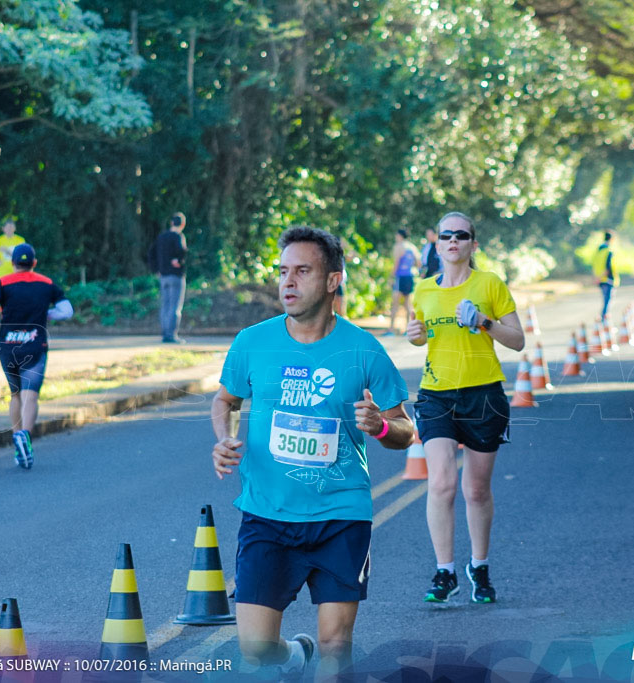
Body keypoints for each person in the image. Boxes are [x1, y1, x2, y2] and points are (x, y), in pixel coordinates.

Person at [210, 226, 414, 678]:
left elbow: (406, 430)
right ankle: (291, 657)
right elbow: (225, 400)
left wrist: (381, 425)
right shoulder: (252, 342)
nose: (288, 282)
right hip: (267, 514)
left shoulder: (364, 349)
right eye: (283, 271)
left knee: (336, 644)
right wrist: (224, 439)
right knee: (256, 647)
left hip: (341, 515)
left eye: (302, 271)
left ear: (331, 280)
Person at [406, 211, 525, 605]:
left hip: (483, 395)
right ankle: (445, 571)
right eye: (446, 235)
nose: (453, 240)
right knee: (440, 482)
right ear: (437, 244)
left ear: (474, 244)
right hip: (436, 394)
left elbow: (518, 341)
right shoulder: (422, 290)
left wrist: (485, 322)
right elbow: (422, 337)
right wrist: (415, 336)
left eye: (462, 235)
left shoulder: (489, 284)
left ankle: (480, 564)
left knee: (475, 489)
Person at [0, 244, 73, 469]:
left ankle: (17, 441)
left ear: (12, 263)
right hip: (34, 346)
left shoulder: (2, 282)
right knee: (30, 396)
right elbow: (68, 311)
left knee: (15, 395)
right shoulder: (47, 284)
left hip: (8, 347)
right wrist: (47, 313)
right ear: (34, 263)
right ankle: (25, 438)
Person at [156, 212, 188, 343]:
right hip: (175, 276)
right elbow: (183, 252)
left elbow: (152, 253)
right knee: (175, 306)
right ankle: (171, 335)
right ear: (183, 224)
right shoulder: (178, 236)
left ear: (171, 223)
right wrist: (179, 261)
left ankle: (165, 333)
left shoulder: (161, 237)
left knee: (165, 305)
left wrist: (157, 269)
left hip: (163, 276)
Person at [386, 229, 421, 335]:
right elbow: (418, 263)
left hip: (400, 277)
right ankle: (407, 329)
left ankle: (391, 330)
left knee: (395, 304)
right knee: (407, 304)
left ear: (399, 236)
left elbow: (396, 263)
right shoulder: (412, 247)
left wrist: (391, 277)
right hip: (409, 277)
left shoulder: (398, 246)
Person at [591, 231, 618, 321]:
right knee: (608, 300)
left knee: (605, 299)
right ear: (611, 239)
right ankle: (604, 317)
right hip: (608, 279)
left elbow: (594, 265)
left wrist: (596, 278)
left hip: (600, 279)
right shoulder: (609, 251)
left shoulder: (598, 252)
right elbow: (608, 267)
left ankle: (604, 316)